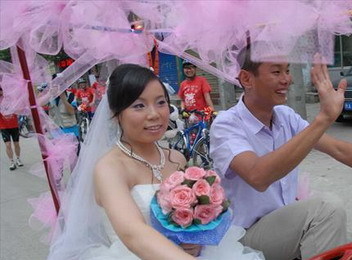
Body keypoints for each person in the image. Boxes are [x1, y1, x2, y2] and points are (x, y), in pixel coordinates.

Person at [209, 46, 352, 259]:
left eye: (287, 70)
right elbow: (258, 176)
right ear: (247, 79)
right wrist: (324, 118)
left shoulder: (286, 117)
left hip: (291, 226)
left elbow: (340, 150)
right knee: (324, 208)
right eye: (276, 72)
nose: (287, 80)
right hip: (248, 237)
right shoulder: (227, 124)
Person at [48, 64, 264, 260]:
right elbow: (133, 233)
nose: (154, 114)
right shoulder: (110, 168)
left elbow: (192, 220)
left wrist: (197, 240)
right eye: (139, 106)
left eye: (160, 103)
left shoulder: (176, 158)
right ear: (116, 113)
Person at [0, 87, 24, 171]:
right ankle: (11, 162)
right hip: (3, 126)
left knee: (16, 143)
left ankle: (18, 159)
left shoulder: (12, 99)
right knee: (8, 144)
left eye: (1, 90)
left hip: (14, 125)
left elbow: (19, 108)